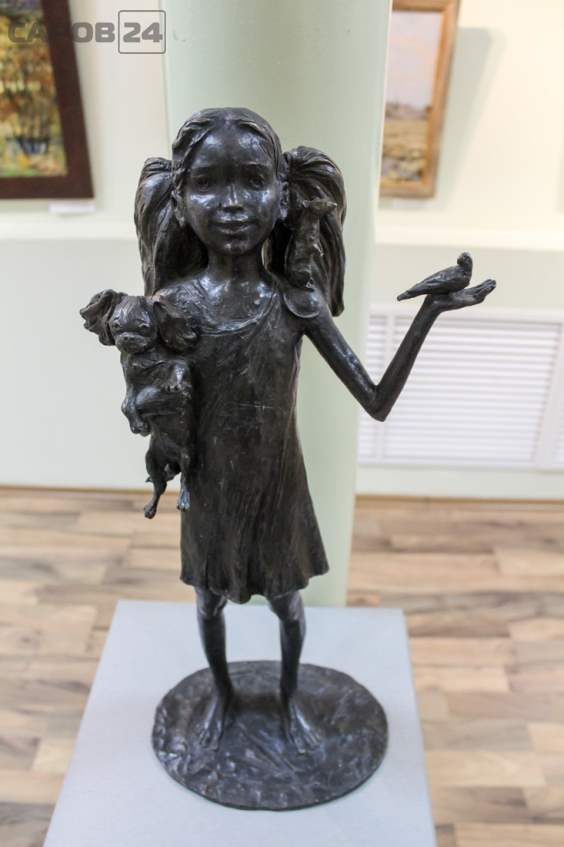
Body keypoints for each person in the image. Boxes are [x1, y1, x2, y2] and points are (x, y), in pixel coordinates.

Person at [131, 107, 495, 753]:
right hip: (209, 486)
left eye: (253, 180)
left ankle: (290, 699)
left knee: (288, 604)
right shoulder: (171, 308)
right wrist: (152, 420)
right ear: (178, 200)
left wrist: (428, 315)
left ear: (283, 196)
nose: (233, 203)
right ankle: (222, 696)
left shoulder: (295, 302)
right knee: (208, 600)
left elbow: (375, 400)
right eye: (209, 183)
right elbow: (149, 403)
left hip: (279, 485)